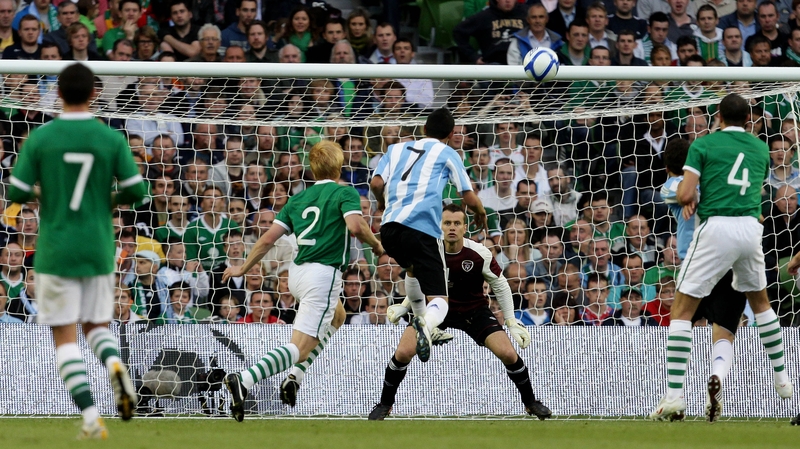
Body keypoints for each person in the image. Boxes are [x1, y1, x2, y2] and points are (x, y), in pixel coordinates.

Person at [6, 63, 146, 438]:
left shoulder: (41, 138)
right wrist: (108, 200)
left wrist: (43, 192)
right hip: (97, 248)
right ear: (93, 94)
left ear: (59, 94)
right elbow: (137, 191)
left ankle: (89, 416)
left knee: (64, 338)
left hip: (54, 250)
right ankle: (116, 366)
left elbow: (15, 191)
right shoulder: (110, 138)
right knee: (97, 327)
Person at [649, 94, 793, 422]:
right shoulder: (759, 148)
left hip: (715, 232)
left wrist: (692, 195)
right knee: (761, 305)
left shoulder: (704, 146)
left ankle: (673, 397)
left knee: (681, 313)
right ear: (749, 119)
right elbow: (754, 190)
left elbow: (684, 194)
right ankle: (783, 379)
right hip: (749, 228)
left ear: (718, 116)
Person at [221, 140, 384, 421]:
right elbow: (356, 227)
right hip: (322, 275)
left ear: (312, 169)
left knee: (338, 317)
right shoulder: (345, 193)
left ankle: (294, 378)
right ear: (340, 165)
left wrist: (243, 267)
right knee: (300, 348)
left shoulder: (296, 200)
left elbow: (267, 240)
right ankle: (244, 380)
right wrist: (378, 247)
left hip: (296, 274)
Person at [366, 204, 551, 420]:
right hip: (435, 311)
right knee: (403, 353)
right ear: (439, 226)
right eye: (447, 223)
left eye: (456, 223)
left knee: (509, 353)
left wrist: (510, 320)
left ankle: (530, 403)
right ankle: (385, 404)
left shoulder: (479, 253)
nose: (451, 228)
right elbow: (415, 279)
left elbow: (499, 284)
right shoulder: (427, 251)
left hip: (474, 310)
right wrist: (406, 305)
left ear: (465, 227)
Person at [370, 107, 487, 363]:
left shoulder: (396, 149)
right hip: (422, 231)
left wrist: (381, 203)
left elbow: (376, 184)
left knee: (412, 269)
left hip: (389, 230)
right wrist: (480, 211)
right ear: (451, 134)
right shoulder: (447, 153)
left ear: (423, 129)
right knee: (441, 302)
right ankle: (425, 324)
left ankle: (425, 323)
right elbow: (466, 194)